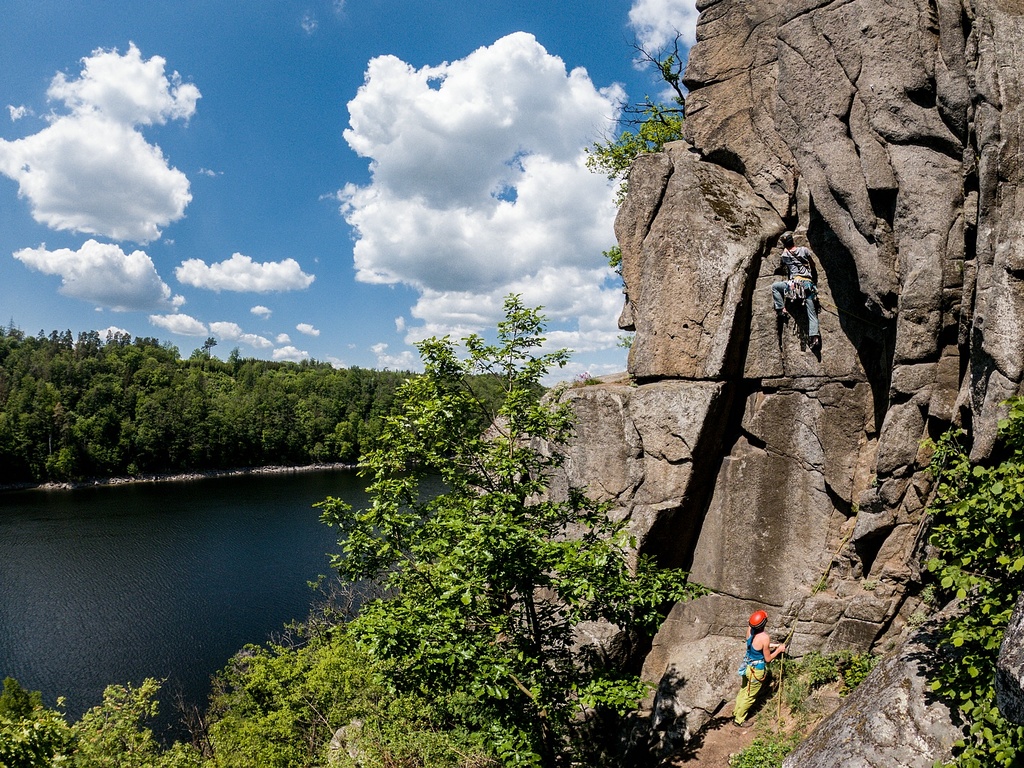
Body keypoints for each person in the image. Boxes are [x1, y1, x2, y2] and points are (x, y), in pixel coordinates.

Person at [733, 609, 786, 726]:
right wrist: (779, 650)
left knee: (743, 690)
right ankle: (739, 720)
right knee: (750, 696)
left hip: (747, 665)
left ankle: (736, 712)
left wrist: (773, 645)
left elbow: (756, 646)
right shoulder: (764, 637)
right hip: (756, 670)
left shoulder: (750, 631)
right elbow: (768, 658)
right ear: (764, 623)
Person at [771, 231, 820, 349]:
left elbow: (783, 261)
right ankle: (814, 337)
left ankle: (781, 309)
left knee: (775, 287)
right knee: (812, 313)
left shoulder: (785, 255)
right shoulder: (804, 250)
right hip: (807, 285)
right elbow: (812, 265)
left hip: (794, 286)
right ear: (793, 241)